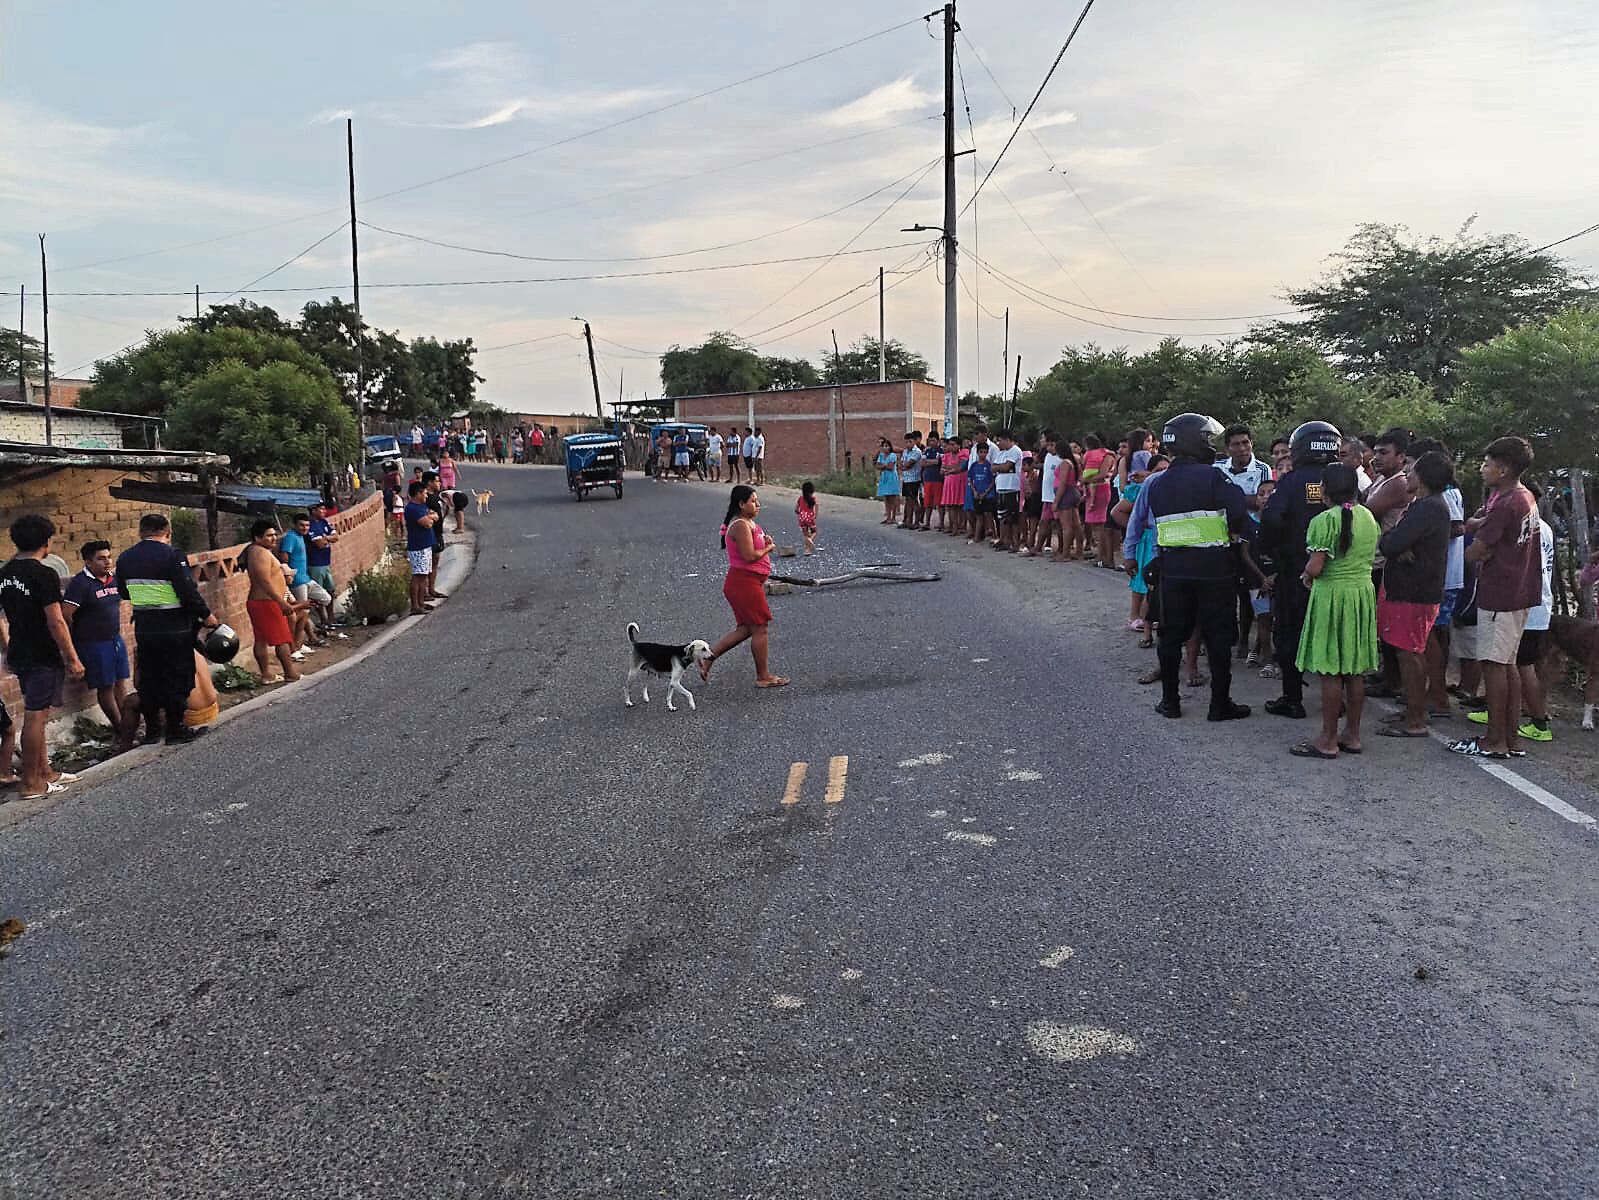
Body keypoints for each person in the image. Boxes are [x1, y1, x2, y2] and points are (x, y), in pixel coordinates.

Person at [1127, 414, 1251, 722]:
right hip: (1214, 570)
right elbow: (1239, 513)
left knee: (1170, 637)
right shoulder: (1214, 477)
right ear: (1195, 442)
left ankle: (1170, 702)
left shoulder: (1157, 483)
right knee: (1217, 637)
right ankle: (1219, 704)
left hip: (1173, 571)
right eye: (1207, 438)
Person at [1450, 436, 1541, 759]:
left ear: (1502, 469)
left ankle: (1495, 740)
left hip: (1500, 593)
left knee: (1493, 665)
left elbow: (1478, 550)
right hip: (1519, 591)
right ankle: (1511, 738)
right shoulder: (1523, 496)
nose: (1482, 468)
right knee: (1507, 663)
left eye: (1487, 464)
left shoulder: (1505, 504)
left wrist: (1469, 550)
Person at [1290, 464, 1380, 759]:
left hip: (1332, 597)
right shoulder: (1368, 517)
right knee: (1354, 669)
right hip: (1361, 595)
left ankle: (1327, 739)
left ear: (1325, 490)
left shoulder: (1324, 520)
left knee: (1330, 669)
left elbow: (1316, 567)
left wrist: (1306, 574)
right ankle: (1352, 735)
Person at [1261, 421, 1343, 719]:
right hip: (1339, 575)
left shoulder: (1291, 482)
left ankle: (1292, 698)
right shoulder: (1343, 480)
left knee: (1290, 633)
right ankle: (1337, 702)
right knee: (1333, 637)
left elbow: (1271, 519)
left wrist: (1273, 552)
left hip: (1296, 572)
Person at [0, 516, 85, 798]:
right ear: (46, 542)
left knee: (38, 713)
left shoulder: (5, 573)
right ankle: (31, 783)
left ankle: (44, 772)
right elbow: (56, 621)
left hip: (20, 651)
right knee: (36, 716)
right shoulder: (43, 574)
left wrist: (7, 647)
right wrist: (72, 657)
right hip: (42, 653)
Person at [116, 513, 219, 746]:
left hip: (145, 628)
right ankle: (175, 729)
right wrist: (206, 615)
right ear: (167, 533)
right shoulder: (173, 555)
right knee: (177, 677)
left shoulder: (125, 558)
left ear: (140, 532)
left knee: (150, 679)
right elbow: (187, 591)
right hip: (175, 628)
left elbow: (123, 592)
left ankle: (153, 731)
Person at [1375, 451, 1453, 738]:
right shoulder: (1424, 506)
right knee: (1410, 650)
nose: (1408, 474)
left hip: (1414, 591)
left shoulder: (1428, 508)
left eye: (1413, 470)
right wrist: (1396, 542)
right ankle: (1413, 708)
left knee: (1410, 653)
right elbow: (1395, 542)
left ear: (1424, 477)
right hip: (1412, 589)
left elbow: (1390, 544)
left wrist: (1396, 542)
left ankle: (1415, 718)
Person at [702, 486, 788, 690]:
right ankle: (763, 676)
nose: (758, 505)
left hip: (746, 582)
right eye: (753, 501)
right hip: (744, 583)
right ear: (741, 504)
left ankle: (708, 658)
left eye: (757, 501)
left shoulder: (749, 523)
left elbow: (753, 548)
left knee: (746, 629)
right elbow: (749, 556)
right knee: (760, 628)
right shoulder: (740, 524)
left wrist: (765, 543)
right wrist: (768, 548)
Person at [59, 539, 132, 732]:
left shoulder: (114, 578)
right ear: (88, 562)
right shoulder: (80, 584)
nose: (107, 562)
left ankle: (129, 723)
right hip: (94, 644)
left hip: (115, 639)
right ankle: (119, 728)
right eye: (101, 558)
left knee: (120, 683)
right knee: (106, 686)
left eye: (109, 557)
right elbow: (66, 614)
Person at [1363, 428, 1412, 697]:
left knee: (1389, 626)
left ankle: (1394, 681)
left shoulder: (1398, 483)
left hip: (1386, 562)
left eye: (1384, 453)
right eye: (1376, 452)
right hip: (1377, 558)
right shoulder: (1381, 479)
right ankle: (1388, 675)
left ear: (1401, 457)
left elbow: (1364, 512)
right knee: (1382, 625)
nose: (1376, 458)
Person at [242, 521, 307, 683]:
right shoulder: (260, 553)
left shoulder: (257, 551)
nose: (274, 538)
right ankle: (290, 673)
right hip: (267, 602)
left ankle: (267, 675)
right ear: (257, 538)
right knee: (282, 639)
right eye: (269, 535)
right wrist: (281, 602)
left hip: (261, 602)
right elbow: (264, 581)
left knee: (261, 640)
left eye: (274, 535)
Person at [1080, 434, 1116, 567]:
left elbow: (1103, 474)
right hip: (1094, 488)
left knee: (1100, 525)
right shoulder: (1104, 455)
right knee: (1096, 525)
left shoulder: (1108, 456)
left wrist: (1085, 480)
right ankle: (1101, 556)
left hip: (1101, 489)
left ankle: (1103, 557)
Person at [404, 481, 438, 616]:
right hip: (418, 547)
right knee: (418, 576)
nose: (426, 496)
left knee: (424, 575)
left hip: (426, 545)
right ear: (418, 494)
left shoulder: (422, 506)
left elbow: (435, 516)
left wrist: (430, 517)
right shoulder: (413, 509)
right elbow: (428, 523)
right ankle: (415, 605)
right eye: (424, 493)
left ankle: (421, 602)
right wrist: (430, 517)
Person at [989, 428, 1025, 552]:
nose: (998, 443)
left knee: (1013, 518)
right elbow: (993, 468)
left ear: (1007, 440)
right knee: (1002, 517)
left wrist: (999, 467)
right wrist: (1000, 467)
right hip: (1001, 488)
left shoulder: (1015, 451)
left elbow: (1006, 467)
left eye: (1000, 441)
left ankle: (1015, 543)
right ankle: (1004, 540)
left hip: (1012, 488)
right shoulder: (1001, 453)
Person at [1052, 445, 1084, 562]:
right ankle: (1079, 551)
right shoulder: (1073, 462)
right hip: (1072, 492)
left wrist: (1056, 501)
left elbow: (1063, 482)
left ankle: (1066, 554)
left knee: (1066, 526)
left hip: (1066, 494)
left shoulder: (1065, 463)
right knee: (1076, 524)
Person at [966, 442, 997, 545]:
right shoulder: (974, 466)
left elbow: (993, 481)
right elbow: (970, 480)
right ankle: (977, 537)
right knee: (979, 516)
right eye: (981, 452)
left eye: (985, 452)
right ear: (977, 452)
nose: (983, 454)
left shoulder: (989, 465)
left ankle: (995, 536)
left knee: (989, 515)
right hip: (977, 494)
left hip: (988, 494)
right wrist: (974, 491)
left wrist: (986, 492)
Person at [941, 435, 969, 539]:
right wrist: (951, 468)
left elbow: (961, 467)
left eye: (953, 445)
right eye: (950, 445)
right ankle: (953, 526)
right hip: (949, 482)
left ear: (959, 445)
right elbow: (942, 469)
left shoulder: (964, 453)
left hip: (960, 482)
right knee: (951, 505)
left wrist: (949, 469)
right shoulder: (946, 456)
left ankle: (962, 526)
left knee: (961, 505)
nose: (951, 447)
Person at [898, 432, 924, 529]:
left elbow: (908, 465)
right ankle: (908, 521)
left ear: (914, 441)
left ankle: (917, 522)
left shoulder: (917, 452)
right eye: (906, 442)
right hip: (906, 479)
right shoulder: (905, 451)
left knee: (914, 500)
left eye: (910, 441)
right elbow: (901, 464)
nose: (908, 444)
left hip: (914, 479)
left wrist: (903, 466)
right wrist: (903, 466)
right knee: (908, 500)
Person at [918, 433, 944, 530]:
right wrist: (933, 462)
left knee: (939, 503)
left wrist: (928, 462)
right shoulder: (927, 450)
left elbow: (939, 462)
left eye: (933, 440)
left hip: (938, 479)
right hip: (927, 479)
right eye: (930, 440)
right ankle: (927, 523)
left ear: (938, 441)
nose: (931, 442)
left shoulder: (941, 451)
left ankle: (941, 523)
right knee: (927, 503)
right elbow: (922, 463)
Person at [875, 438, 901, 523]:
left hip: (891, 477)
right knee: (886, 498)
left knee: (892, 497)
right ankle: (888, 517)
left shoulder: (893, 455)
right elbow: (877, 466)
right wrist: (885, 465)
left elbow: (891, 467)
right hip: (884, 477)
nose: (885, 448)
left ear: (890, 447)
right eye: (884, 446)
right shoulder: (881, 455)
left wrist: (883, 466)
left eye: (887, 446)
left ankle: (893, 517)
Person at [796, 482, 819, 555]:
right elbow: (817, 505)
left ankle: (807, 550)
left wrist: (799, 513)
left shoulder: (800, 498)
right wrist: (815, 515)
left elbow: (796, 509)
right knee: (814, 532)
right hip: (809, 518)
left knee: (806, 534)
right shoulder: (813, 498)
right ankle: (810, 540)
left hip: (802, 518)